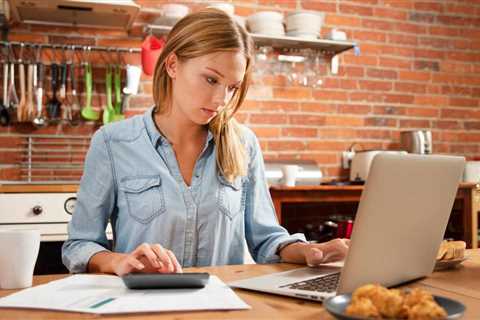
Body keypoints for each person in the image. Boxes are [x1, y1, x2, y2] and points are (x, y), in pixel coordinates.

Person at [62, 9, 349, 276]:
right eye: (211, 80)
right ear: (173, 64)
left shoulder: (244, 144)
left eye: (232, 88)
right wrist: (118, 260)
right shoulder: (113, 143)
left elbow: (267, 239)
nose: (221, 100)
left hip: (223, 307)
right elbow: (79, 244)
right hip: (143, 307)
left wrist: (310, 250)